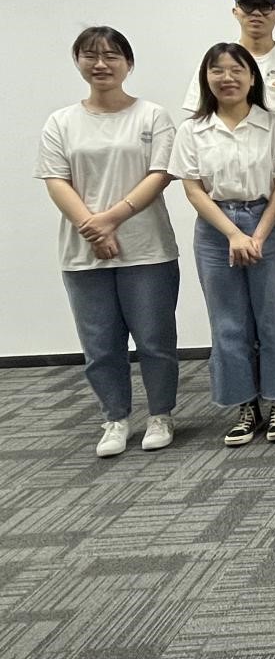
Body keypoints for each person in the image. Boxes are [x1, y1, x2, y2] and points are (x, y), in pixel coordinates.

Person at [36, 27, 180, 457]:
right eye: (90, 56)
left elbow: (160, 174)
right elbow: (56, 180)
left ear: (128, 64)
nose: (101, 64)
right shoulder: (61, 122)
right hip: (83, 252)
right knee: (100, 345)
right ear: (78, 62)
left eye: (112, 56)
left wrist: (110, 220)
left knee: (155, 340)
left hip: (148, 247)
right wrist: (92, 228)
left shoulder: (152, 116)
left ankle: (160, 414)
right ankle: (115, 418)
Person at [170, 43, 275, 446]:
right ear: (206, 78)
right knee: (228, 323)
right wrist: (233, 234)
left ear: (252, 78)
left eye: (237, 70)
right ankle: (245, 406)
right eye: (217, 70)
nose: (227, 78)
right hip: (215, 229)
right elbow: (193, 190)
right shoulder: (192, 129)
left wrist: (257, 235)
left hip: (268, 223)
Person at [182, 0, 275, 299]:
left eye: (264, 7)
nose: (256, 13)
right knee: (228, 279)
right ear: (235, 12)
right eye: (248, 6)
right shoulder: (218, 63)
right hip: (225, 195)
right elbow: (199, 121)